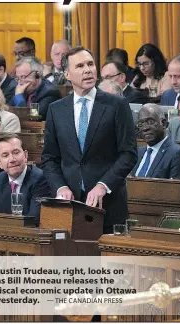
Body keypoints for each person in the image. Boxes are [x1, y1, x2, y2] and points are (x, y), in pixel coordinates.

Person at [41, 46, 137, 234]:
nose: (87, 70)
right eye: (80, 66)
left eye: (90, 64)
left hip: (108, 205)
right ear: (67, 74)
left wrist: (103, 185)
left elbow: (128, 154)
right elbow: (50, 158)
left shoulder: (117, 105)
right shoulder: (56, 109)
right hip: (70, 207)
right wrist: (60, 187)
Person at [0, 133, 51, 224]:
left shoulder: (41, 179)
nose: (12, 159)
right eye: (5, 155)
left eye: (16, 152)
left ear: (25, 155)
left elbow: (33, 221)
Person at [131, 104, 180, 180]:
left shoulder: (178, 154)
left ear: (163, 123)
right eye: (140, 124)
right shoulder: (138, 152)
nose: (145, 128)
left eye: (150, 122)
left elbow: (177, 190)